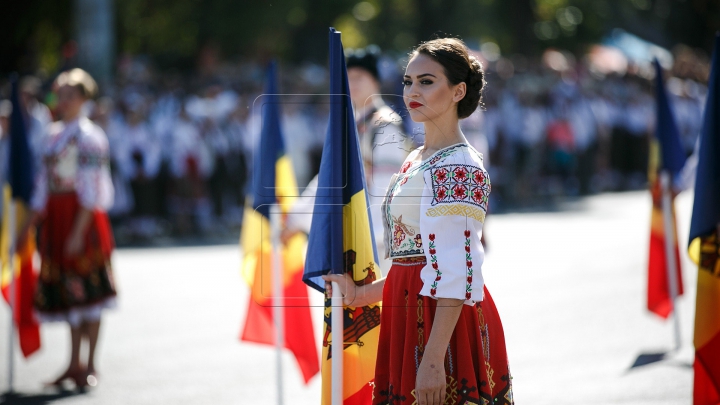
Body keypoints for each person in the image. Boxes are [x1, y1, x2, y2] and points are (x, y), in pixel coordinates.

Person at [323, 38, 513, 405]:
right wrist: (362, 294)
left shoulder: (458, 166)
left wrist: (432, 360)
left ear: (458, 90)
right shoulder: (416, 159)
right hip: (407, 311)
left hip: (444, 324)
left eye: (427, 81)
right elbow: (410, 261)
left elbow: (456, 271)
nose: (413, 90)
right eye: (408, 81)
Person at [16, 68, 117, 389]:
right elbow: (42, 187)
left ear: (84, 99)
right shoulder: (52, 135)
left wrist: (77, 231)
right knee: (68, 290)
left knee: (89, 288)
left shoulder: (90, 137)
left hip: (81, 217)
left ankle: (90, 363)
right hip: (58, 216)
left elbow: (93, 189)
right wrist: (27, 228)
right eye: (60, 95)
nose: (63, 101)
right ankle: (73, 362)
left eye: (70, 95)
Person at [284, 46, 409, 272]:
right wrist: (294, 219)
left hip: (374, 243)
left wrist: (365, 238)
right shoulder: (350, 122)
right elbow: (327, 179)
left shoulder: (385, 124)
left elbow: (386, 190)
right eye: (348, 77)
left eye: (360, 77)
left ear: (375, 81)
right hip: (351, 236)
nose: (353, 84)